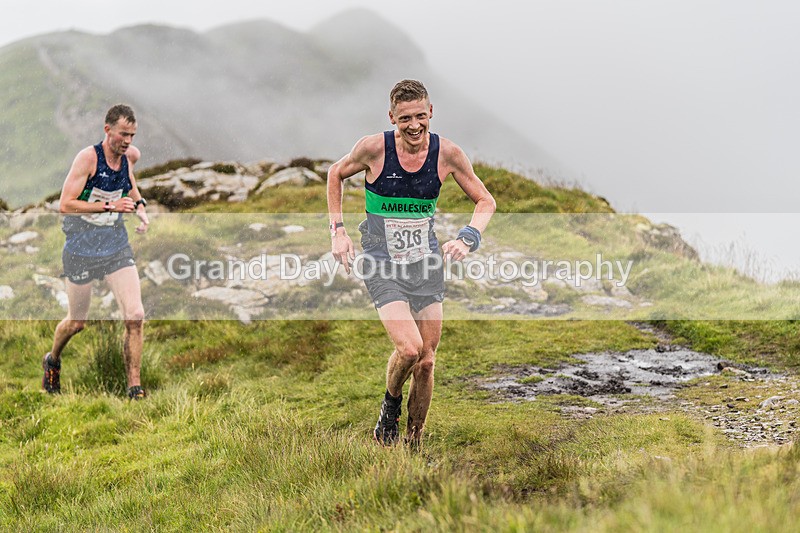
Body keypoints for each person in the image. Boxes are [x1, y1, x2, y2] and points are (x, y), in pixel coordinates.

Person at [327, 80, 496, 446]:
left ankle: (414, 442)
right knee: (409, 349)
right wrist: (337, 231)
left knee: (427, 361)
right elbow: (335, 174)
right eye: (405, 118)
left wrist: (469, 237)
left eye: (421, 116)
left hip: (425, 263)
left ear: (431, 112)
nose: (415, 125)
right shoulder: (373, 149)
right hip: (380, 260)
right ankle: (390, 407)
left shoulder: (447, 154)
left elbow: (486, 201)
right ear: (392, 118)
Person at [42, 104, 150, 399]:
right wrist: (109, 206)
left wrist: (140, 207)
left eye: (132, 135)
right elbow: (66, 204)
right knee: (77, 323)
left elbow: (129, 182)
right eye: (123, 134)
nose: (127, 141)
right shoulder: (88, 158)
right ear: (107, 130)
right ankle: (53, 360)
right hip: (81, 247)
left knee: (135, 315)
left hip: (115, 245)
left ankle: (134, 388)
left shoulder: (130, 156)